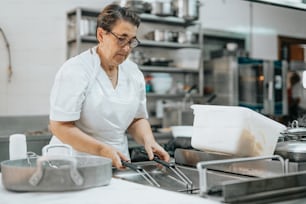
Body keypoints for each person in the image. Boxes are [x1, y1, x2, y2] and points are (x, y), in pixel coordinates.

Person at [49, 3, 170, 169]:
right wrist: (103, 150)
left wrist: (149, 141)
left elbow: (137, 118)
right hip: (74, 163)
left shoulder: (134, 73)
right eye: (121, 39)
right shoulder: (76, 70)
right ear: (101, 34)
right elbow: (60, 126)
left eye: (131, 41)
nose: (127, 48)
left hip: (117, 162)